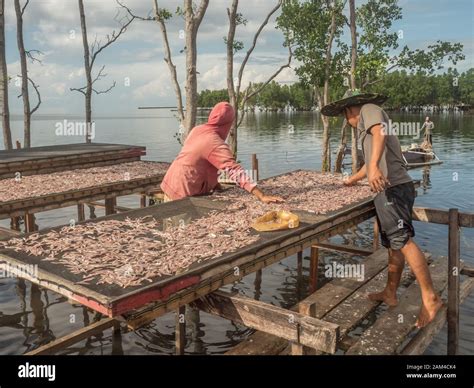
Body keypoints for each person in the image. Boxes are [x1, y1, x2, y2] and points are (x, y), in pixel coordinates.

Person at [321, 90, 442, 328]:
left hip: (393, 188)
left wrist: (375, 167)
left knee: (403, 240)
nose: (348, 123)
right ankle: (390, 292)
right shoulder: (368, 133)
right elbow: (368, 166)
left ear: (349, 111)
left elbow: (380, 134)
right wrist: (351, 180)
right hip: (391, 189)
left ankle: (430, 297)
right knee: (393, 244)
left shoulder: (369, 109)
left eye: (345, 118)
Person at [161, 102, 283, 204]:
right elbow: (234, 170)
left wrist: (214, 185)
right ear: (228, 124)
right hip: (182, 194)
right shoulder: (214, 143)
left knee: (171, 227)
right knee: (181, 231)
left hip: (170, 184)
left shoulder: (198, 130)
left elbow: (199, 162)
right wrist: (261, 195)